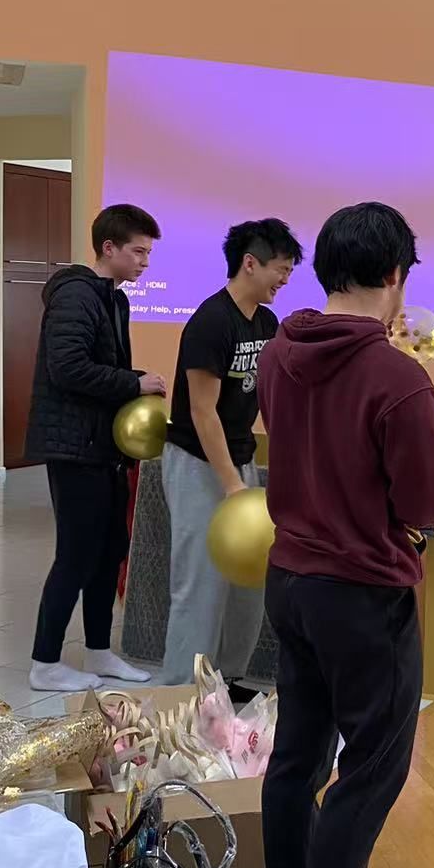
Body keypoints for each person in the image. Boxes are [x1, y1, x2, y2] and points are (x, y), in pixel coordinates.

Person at [257, 203, 434, 868]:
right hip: (363, 591)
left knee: (299, 749)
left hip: (290, 577)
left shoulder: (277, 350)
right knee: (373, 762)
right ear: (396, 275)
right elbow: (428, 498)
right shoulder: (398, 378)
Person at [26, 203, 166, 693]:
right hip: (75, 447)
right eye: (138, 252)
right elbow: (68, 368)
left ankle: (100, 650)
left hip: (104, 447)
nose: (145, 263)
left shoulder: (114, 298)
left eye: (148, 254)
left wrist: (131, 383)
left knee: (109, 553)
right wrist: (134, 383)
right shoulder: (76, 296)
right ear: (109, 248)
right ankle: (44, 662)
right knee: (76, 555)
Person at [159, 218, 303, 686]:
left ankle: (227, 679)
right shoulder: (209, 322)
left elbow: (266, 397)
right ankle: (183, 691)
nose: (285, 279)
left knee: (249, 578)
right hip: (198, 462)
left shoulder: (266, 322)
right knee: (200, 584)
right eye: (280, 269)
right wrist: (232, 484)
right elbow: (203, 413)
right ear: (249, 263)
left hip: (238, 460)